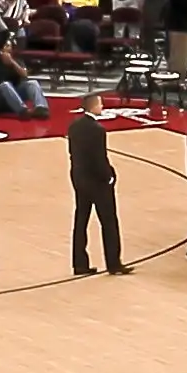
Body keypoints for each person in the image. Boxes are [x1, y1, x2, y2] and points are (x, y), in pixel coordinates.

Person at [64, 110, 126, 276]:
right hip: (97, 183)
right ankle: (113, 263)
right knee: (108, 222)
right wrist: (109, 177)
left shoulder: (74, 126)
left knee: (81, 221)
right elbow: (100, 158)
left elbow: (72, 153)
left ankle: (80, 264)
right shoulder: (98, 130)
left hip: (79, 178)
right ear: (94, 106)